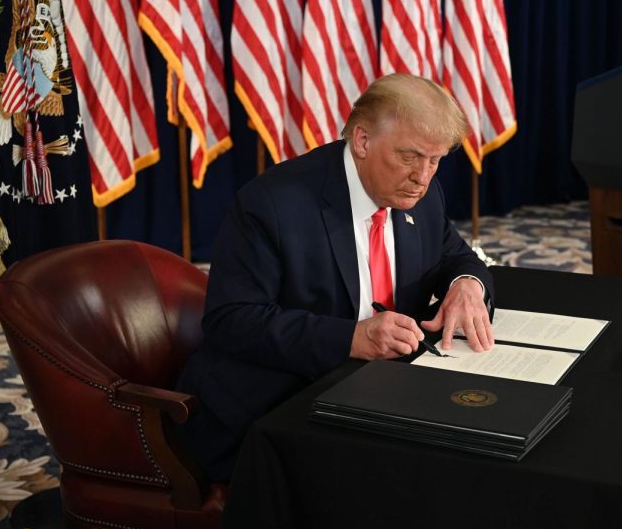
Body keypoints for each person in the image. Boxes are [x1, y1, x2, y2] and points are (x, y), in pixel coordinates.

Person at [177, 73, 495, 481]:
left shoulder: (422, 193)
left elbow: (455, 257)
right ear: (362, 141)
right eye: (410, 156)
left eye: (436, 160)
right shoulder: (273, 204)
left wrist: (467, 285)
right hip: (278, 402)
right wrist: (352, 337)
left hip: (379, 392)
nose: (423, 176)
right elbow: (231, 321)